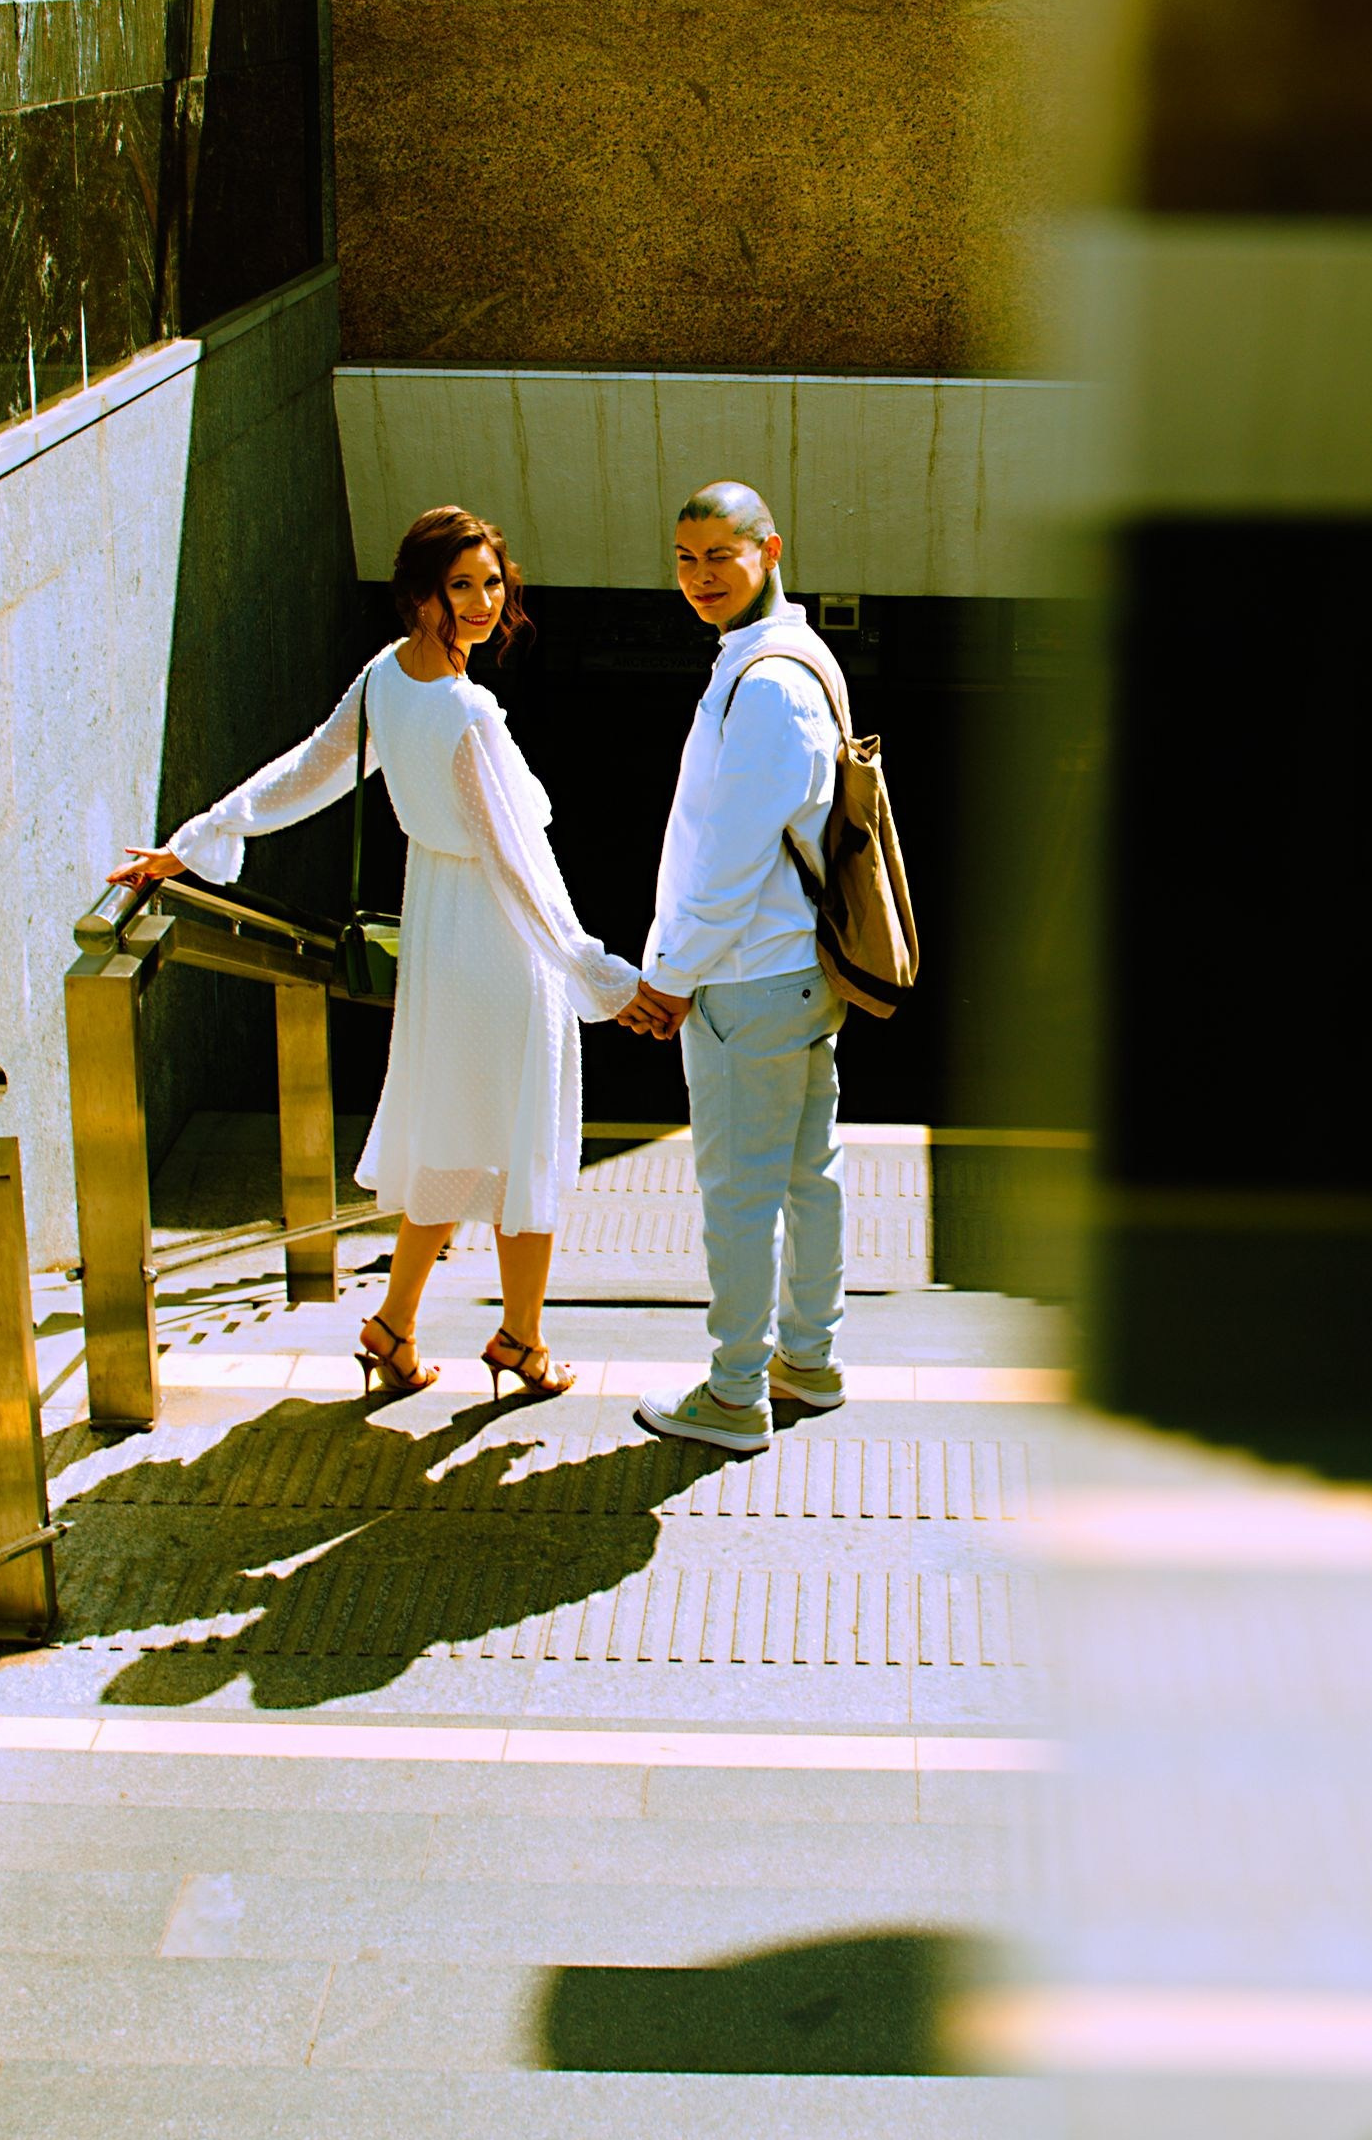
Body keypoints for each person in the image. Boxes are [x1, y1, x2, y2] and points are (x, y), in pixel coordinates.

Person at [108, 507, 638, 1400]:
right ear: (422, 592)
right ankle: (520, 1340)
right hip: (499, 944)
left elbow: (307, 771)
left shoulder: (387, 677)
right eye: (460, 584)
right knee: (522, 1142)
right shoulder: (466, 710)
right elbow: (518, 864)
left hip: (439, 932)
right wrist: (599, 975)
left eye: (491, 583)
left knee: (456, 1135)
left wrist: (196, 840)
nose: (480, 601)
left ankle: (395, 1324)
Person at [616, 482, 850, 1458]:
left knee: (741, 1195)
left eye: (720, 555)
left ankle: (734, 1392)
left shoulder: (765, 686)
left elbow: (728, 862)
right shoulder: (793, 659)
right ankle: (809, 1359)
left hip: (749, 981)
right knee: (807, 1174)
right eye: (683, 558)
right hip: (799, 971)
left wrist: (667, 978)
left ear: (769, 548)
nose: (700, 577)